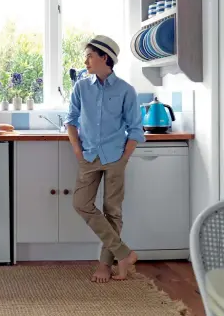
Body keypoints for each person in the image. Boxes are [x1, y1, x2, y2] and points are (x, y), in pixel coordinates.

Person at [64, 35, 145, 283]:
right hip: (88, 155)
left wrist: (123, 159)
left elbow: (135, 129)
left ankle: (105, 265)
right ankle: (124, 253)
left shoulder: (126, 91)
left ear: (104, 58)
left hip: (115, 156)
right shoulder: (81, 87)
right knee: (81, 203)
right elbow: (71, 119)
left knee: (113, 211)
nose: (85, 61)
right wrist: (77, 150)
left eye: (90, 55)